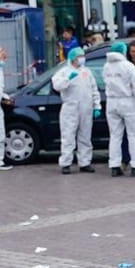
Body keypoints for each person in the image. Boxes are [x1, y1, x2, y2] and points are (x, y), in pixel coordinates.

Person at [101, 41, 135, 177]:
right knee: (134, 135)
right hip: (128, 101)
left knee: (115, 136)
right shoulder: (128, 66)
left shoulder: (106, 66)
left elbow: (105, 82)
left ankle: (115, 166)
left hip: (112, 102)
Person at [51, 46, 98, 174]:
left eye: (83, 56)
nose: (82, 59)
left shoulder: (87, 72)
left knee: (85, 136)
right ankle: (66, 163)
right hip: (70, 108)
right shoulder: (64, 72)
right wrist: (68, 79)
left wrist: (97, 105)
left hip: (86, 108)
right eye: (79, 57)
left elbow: (94, 89)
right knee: (68, 136)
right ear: (72, 58)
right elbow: (57, 86)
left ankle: (85, 162)